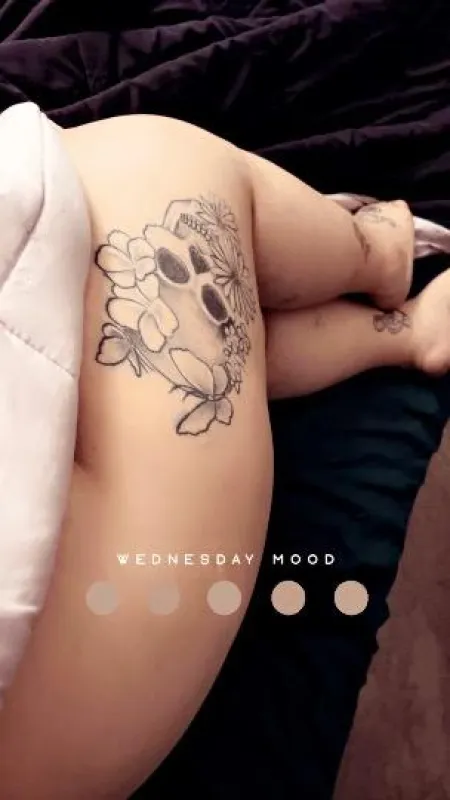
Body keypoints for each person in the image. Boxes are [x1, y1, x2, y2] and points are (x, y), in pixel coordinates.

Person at [0, 112, 449, 799]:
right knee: (150, 164)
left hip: (57, 742)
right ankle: (375, 254)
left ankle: (401, 333)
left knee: (176, 325)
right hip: (92, 658)